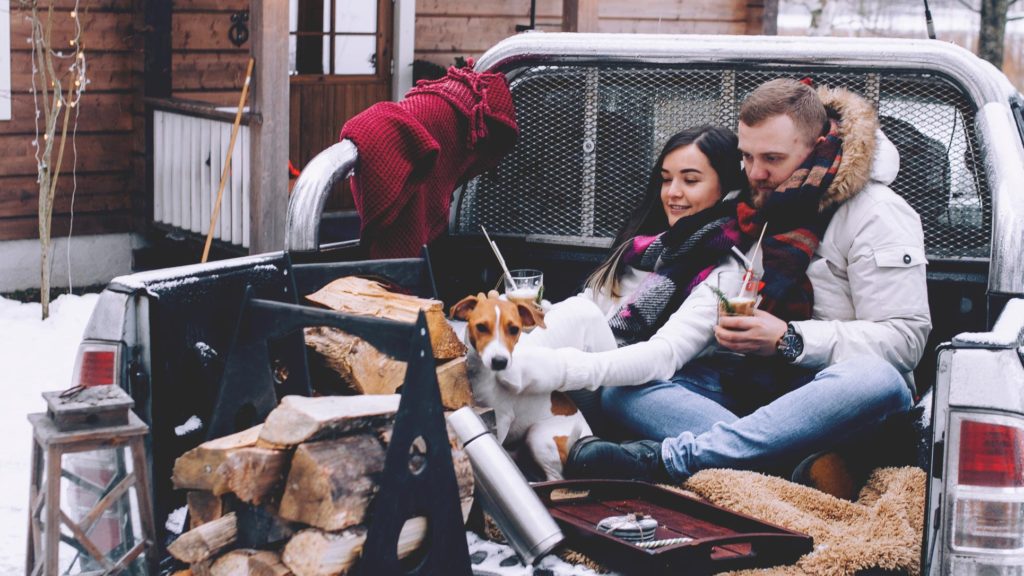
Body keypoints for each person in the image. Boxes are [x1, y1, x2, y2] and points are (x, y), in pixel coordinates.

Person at [499, 79, 931, 489]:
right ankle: (782, 462)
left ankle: (667, 460)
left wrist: (789, 339)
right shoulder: (755, 211)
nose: (755, 173)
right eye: (746, 157)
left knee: (876, 378)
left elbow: (906, 341)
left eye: (772, 159)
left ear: (818, 144)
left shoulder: (877, 214)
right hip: (757, 389)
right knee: (625, 392)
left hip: (837, 399)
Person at [509, 126, 745, 426]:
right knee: (567, 315)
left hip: (645, 389)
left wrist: (560, 366)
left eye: (690, 180)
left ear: (727, 188)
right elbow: (590, 307)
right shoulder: (643, 247)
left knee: (576, 322)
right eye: (665, 179)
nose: (673, 192)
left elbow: (664, 355)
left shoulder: (727, 270)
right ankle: (505, 376)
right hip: (601, 374)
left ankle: (506, 378)